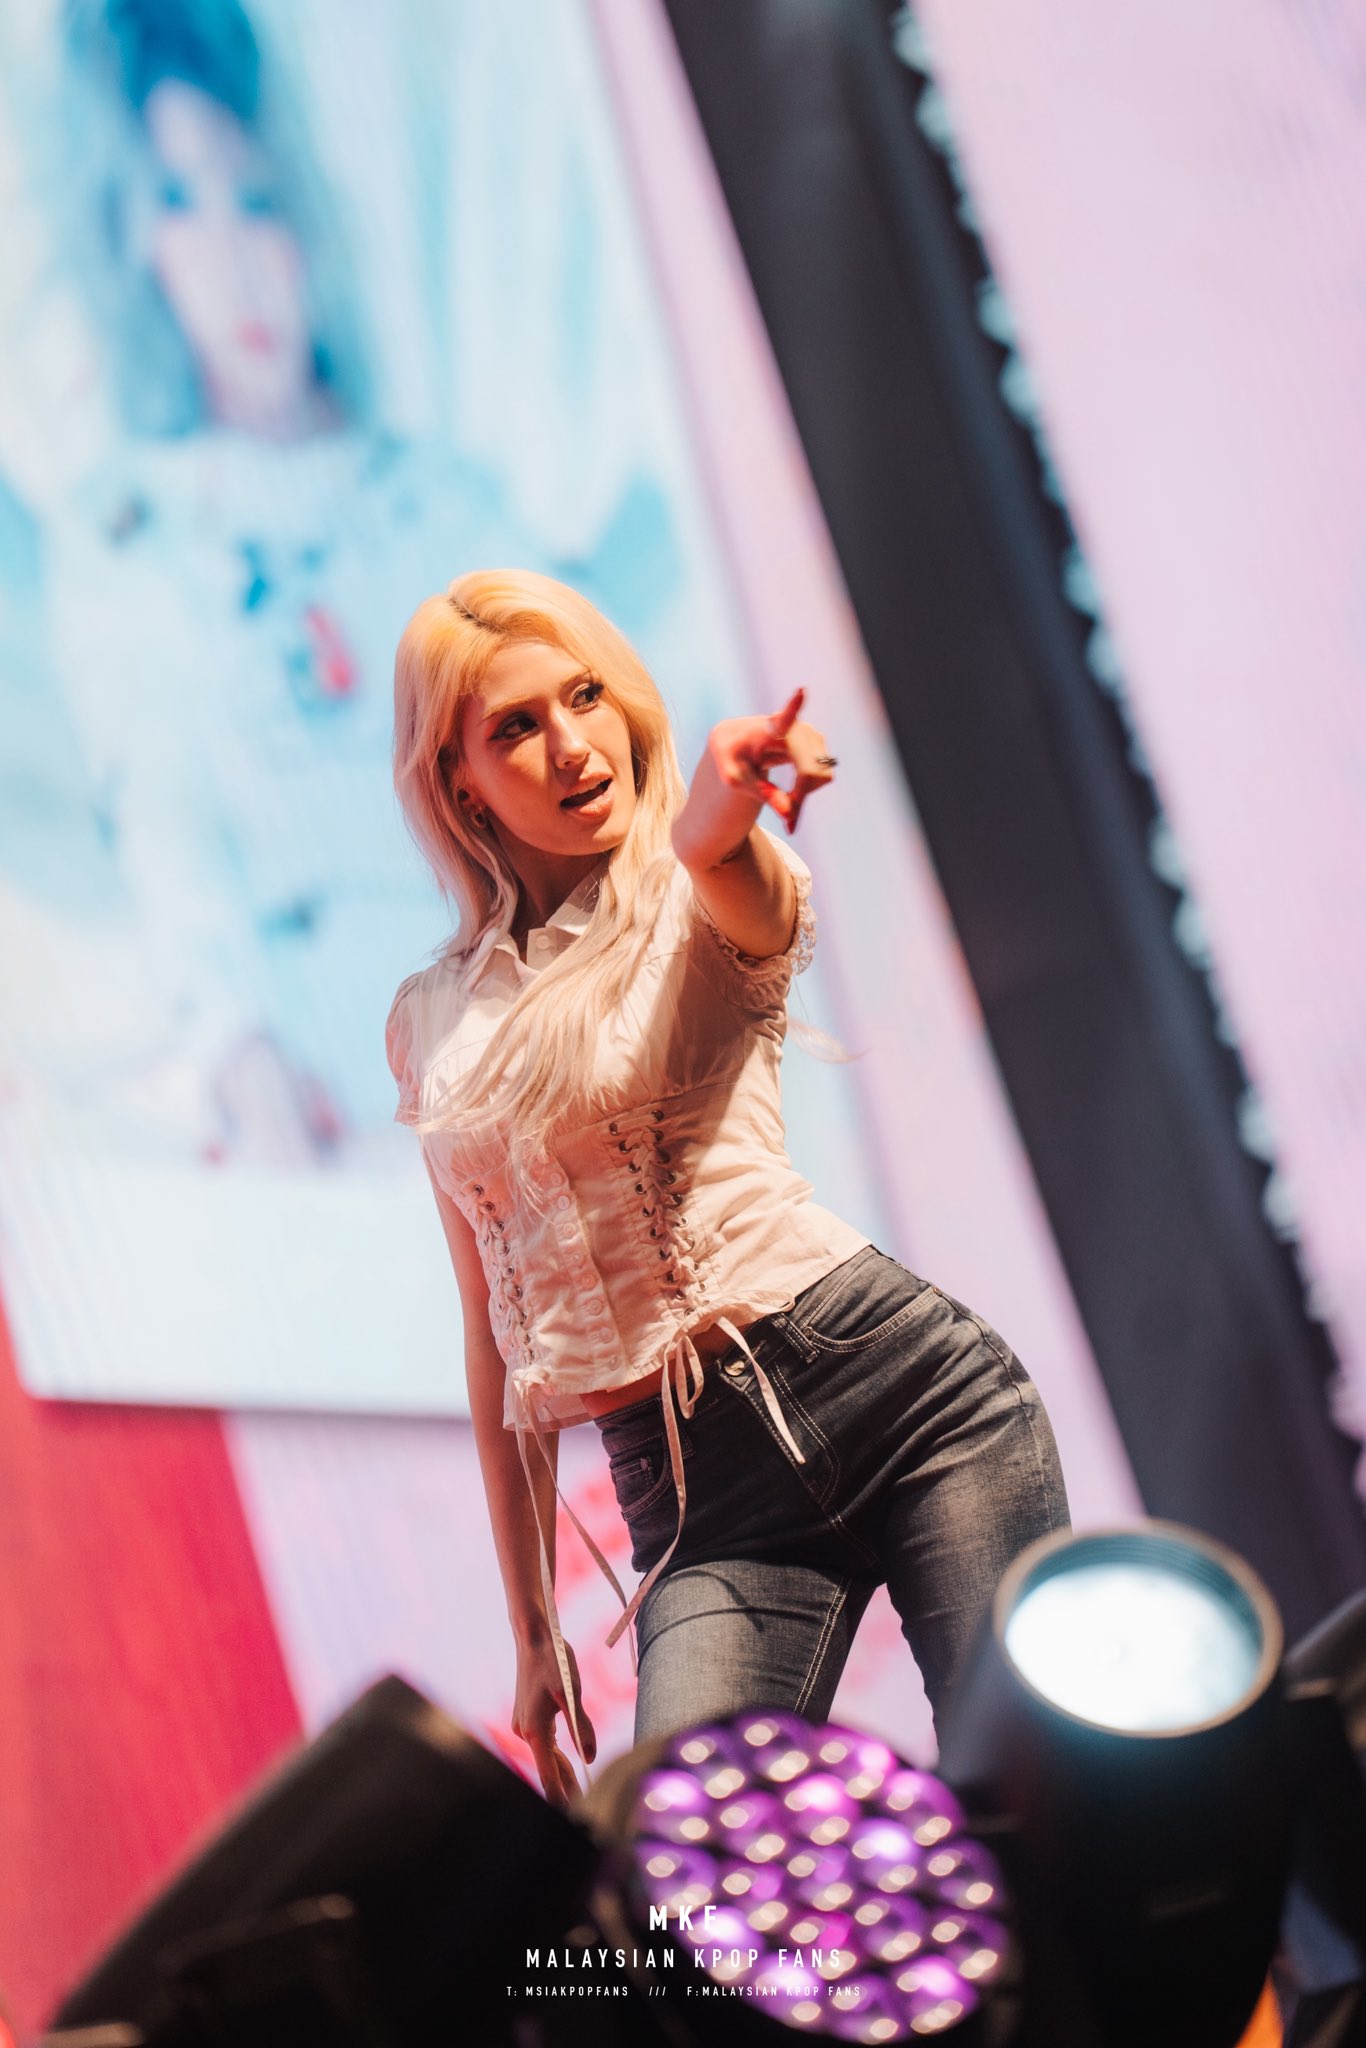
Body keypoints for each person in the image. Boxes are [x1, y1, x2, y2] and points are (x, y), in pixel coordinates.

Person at [387, 568, 1070, 1806]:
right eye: (516, 726)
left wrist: (728, 790)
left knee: (1029, 1809)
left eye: (585, 696)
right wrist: (532, 1625)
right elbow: (491, 1328)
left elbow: (715, 848)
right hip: (698, 1510)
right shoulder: (429, 1020)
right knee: (686, 1879)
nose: (571, 745)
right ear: (459, 780)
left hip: (906, 1396)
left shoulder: (695, 888)